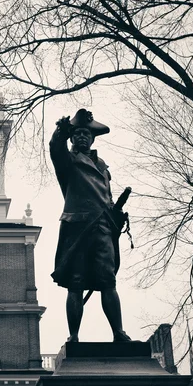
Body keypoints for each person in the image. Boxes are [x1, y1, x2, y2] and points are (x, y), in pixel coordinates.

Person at [49, 108, 131, 343]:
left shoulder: (103, 167)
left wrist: (116, 213)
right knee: (76, 284)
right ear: (73, 138)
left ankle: (118, 333)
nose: (82, 137)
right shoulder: (68, 161)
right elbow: (56, 148)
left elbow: (106, 198)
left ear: (93, 138)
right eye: (78, 134)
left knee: (108, 281)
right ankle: (74, 337)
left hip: (103, 228)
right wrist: (60, 132)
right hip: (77, 229)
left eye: (87, 133)